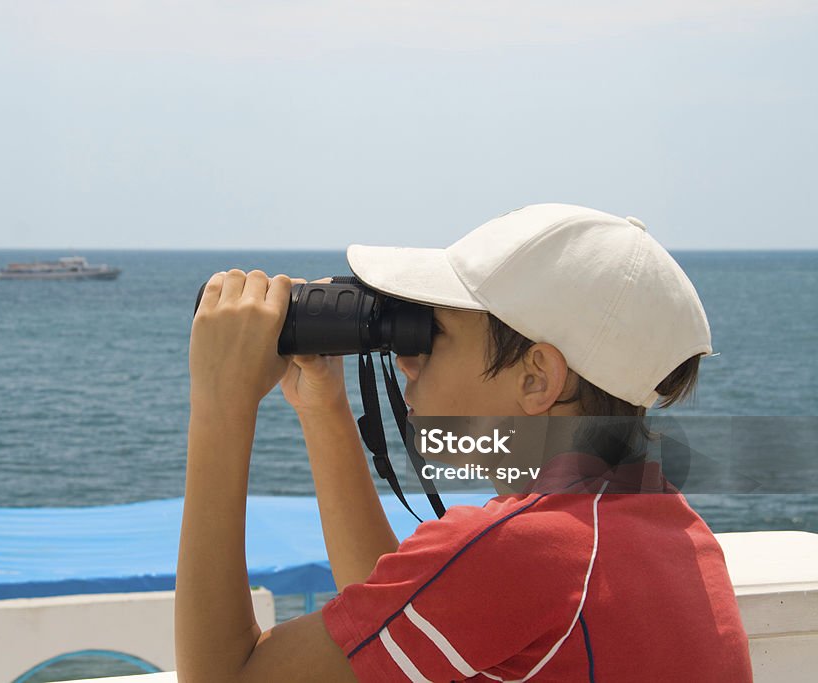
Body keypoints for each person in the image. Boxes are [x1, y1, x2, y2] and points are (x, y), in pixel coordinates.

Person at [175, 204, 752, 682]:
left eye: (436, 333)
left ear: (536, 378)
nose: (407, 357)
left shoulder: (524, 551)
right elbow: (395, 614)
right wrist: (321, 406)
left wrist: (222, 406)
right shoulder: (661, 526)